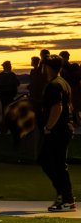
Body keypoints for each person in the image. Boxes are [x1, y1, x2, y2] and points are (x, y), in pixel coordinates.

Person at [33, 58, 74, 212]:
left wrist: (48, 127)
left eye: (43, 66)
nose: (41, 69)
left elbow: (58, 107)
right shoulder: (63, 83)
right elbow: (69, 105)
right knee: (53, 162)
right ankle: (64, 196)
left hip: (57, 130)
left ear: (47, 67)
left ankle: (66, 198)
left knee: (53, 163)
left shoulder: (54, 85)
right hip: (63, 129)